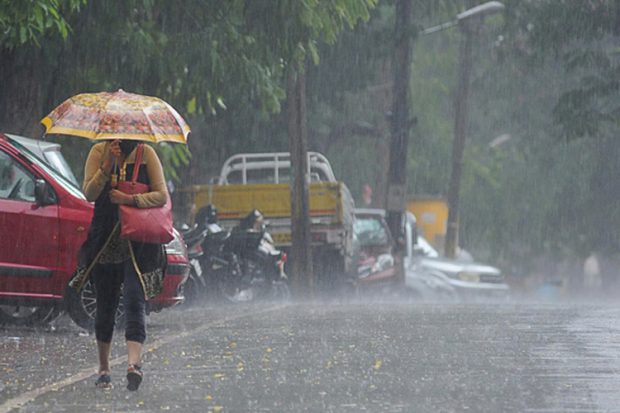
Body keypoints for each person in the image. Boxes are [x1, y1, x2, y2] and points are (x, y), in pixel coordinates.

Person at [74, 139, 168, 390]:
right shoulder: (98, 151)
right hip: (105, 241)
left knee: (135, 300)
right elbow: (89, 193)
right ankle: (104, 369)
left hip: (138, 243)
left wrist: (129, 199)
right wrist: (106, 167)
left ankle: (133, 365)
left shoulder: (146, 153)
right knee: (106, 304)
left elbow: (161, 195)